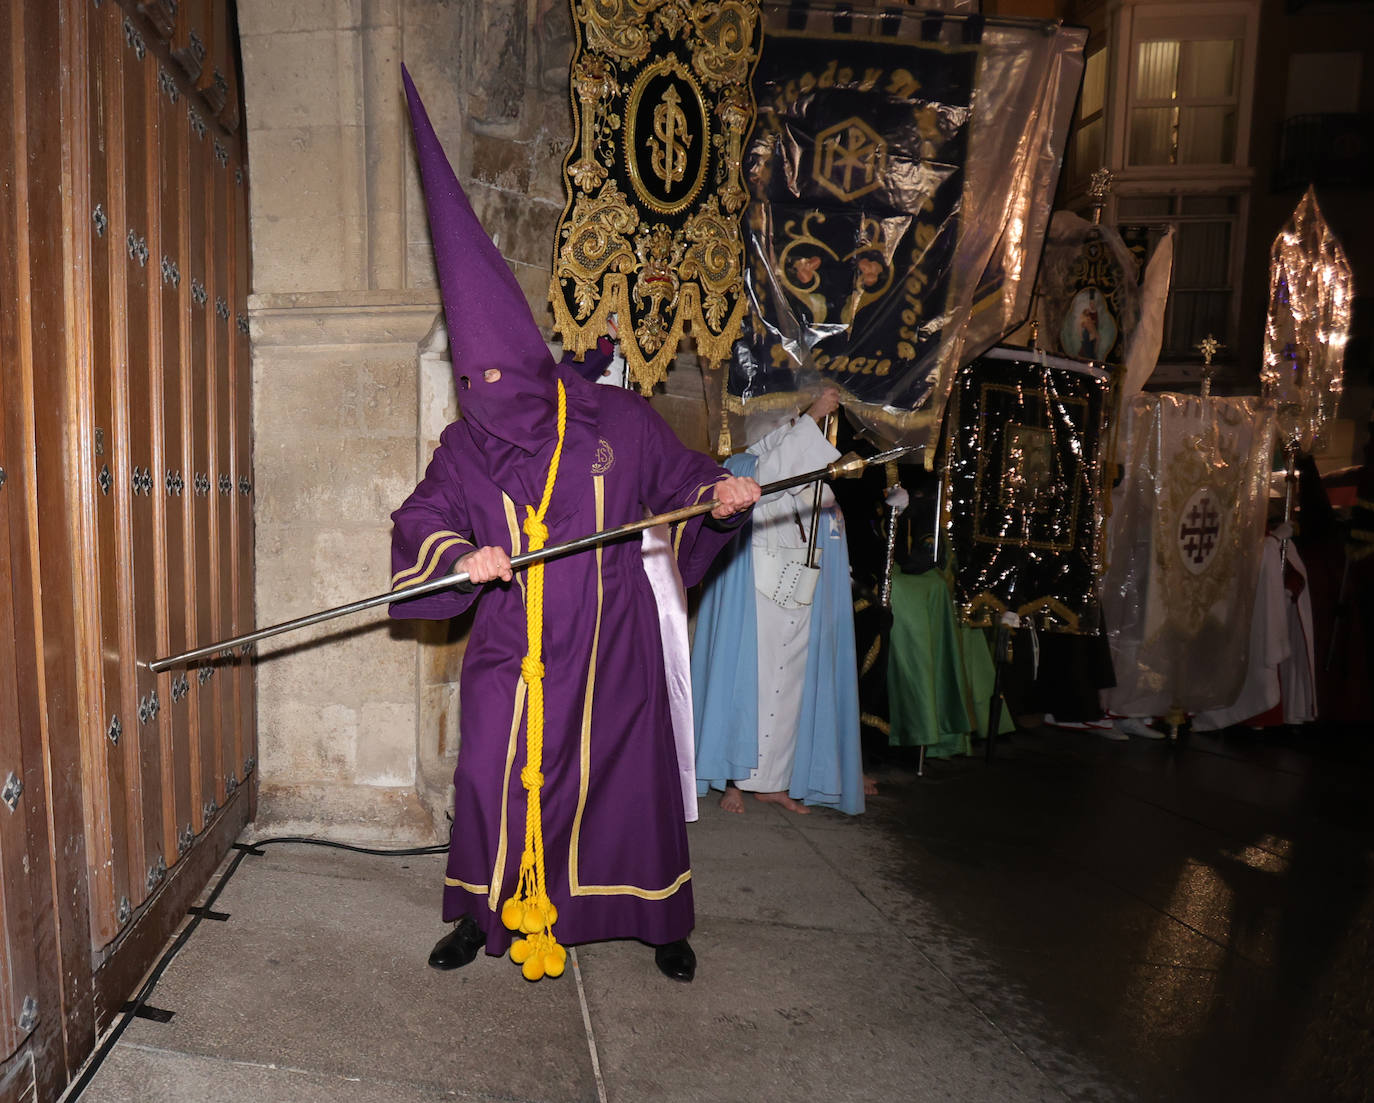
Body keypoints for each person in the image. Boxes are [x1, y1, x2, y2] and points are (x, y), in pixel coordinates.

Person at [389, 70, 760, 984]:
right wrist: (459, 557)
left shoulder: (617, 422)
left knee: (626, 789)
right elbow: (420, 518)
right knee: (487, 777)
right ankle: (482, 914)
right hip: (511, 650)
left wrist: (719, 493)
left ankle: (661, 921)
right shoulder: (464, 445)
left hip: (611, 642)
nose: (487, 405)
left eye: (498, 386)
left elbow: (682, 482)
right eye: (471, 391)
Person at [692, 387, 865, 817]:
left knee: (790, 689)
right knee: (748, 682)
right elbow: (770, 480)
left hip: (800, 593)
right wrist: (814, 417)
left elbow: (822, 509)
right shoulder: (745, 465)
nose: (793, 426)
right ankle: (736, 780)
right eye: (788, 421)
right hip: (757, 598)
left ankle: (775, 781)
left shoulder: (808, 465)